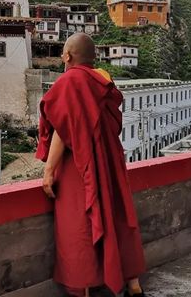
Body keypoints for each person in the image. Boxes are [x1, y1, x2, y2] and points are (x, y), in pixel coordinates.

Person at [36, 33, 146, 297]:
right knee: (118, 215)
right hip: (110, 161)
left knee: (79, 224)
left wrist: (49, 170)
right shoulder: (103, 80)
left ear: (67, 56)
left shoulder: (70, 81)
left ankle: (84, 288)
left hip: (80, 164)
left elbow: (64, 128)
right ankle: (133, 284)